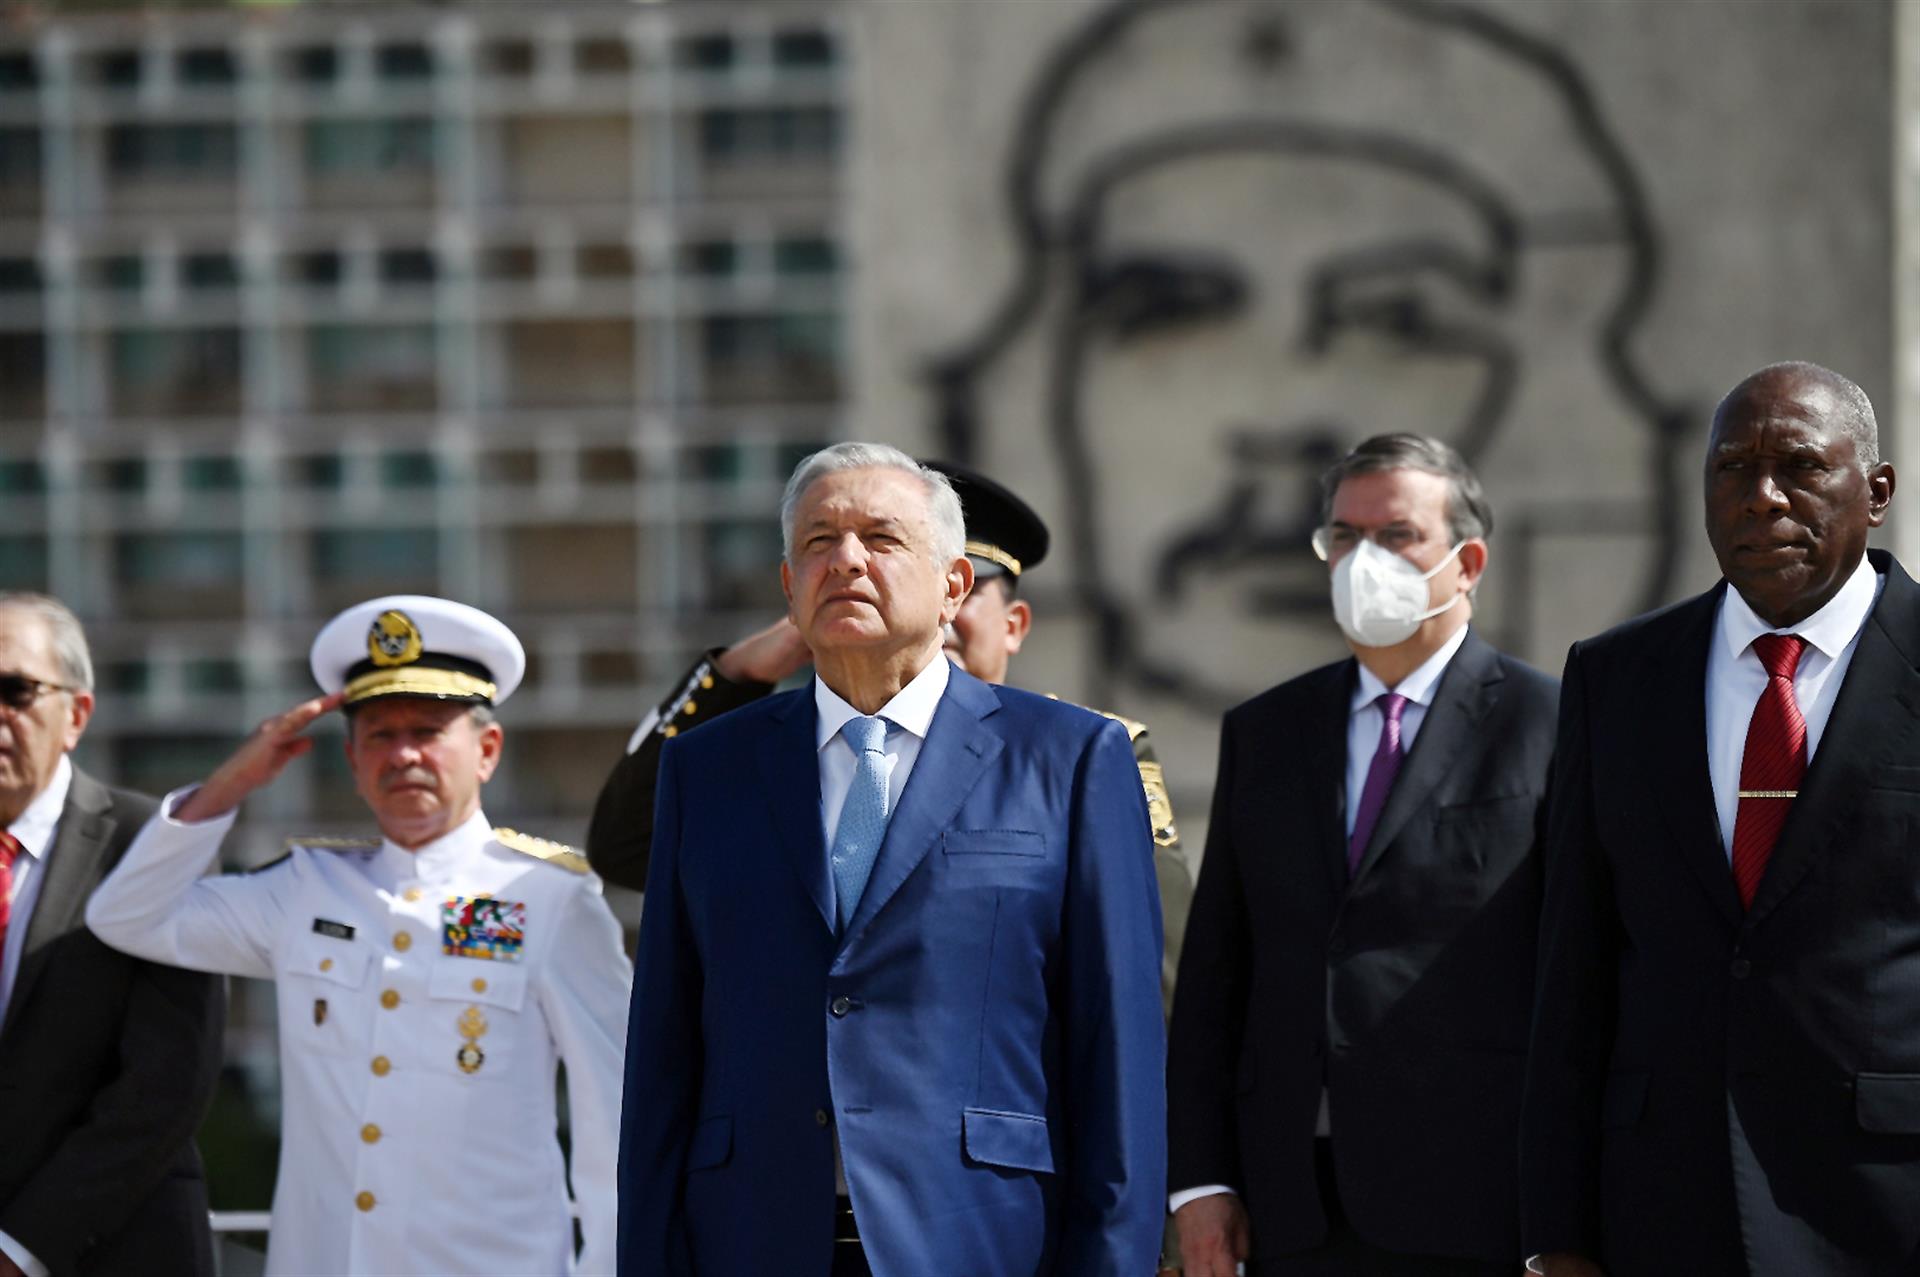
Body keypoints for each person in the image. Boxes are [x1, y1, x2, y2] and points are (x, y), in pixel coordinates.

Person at [618, 443, 1166, 1276]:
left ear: (954, 585)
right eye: (818, 542)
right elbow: (663, 1050)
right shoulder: (707, 767)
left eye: (881, 537)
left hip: (984, 1235)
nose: (846, 560)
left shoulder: (1069, 757)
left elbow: (1117, 1053)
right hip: (750, 1236)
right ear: (788, 589)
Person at [86, 595, 631, 1276]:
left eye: (429, 730)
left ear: (487, 750)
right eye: (380, 733)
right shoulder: (306, 888)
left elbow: (617, 1115)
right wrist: (229, 785)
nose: (404, 753)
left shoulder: (548, 898)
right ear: (351, 758)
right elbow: (127, 916)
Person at [1520, 362, 1918, 1277]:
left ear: (1879, 491)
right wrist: (1556, 1231)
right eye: (1733, 468)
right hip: (1663, 1203)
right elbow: (1573, 967)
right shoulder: (1616, 677)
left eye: (1802, 467)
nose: (1762, 498)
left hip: (1888, 1205)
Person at [586, 460, 1193, 1009]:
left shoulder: (1073, 760)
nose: (932, 614)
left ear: (1005, 621)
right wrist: (737, 675)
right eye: (831, 545)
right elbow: (627, 843)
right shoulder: (782, 752)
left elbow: (1154, 972)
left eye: (892, 548)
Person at [1168, 434, 1558, 1275]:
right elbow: (1216, 974)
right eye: (1343, 537)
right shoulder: (1267, 732)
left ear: (1468, 560)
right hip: (1291, 1207)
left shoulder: (1551, 723)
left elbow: (1586, 978)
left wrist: (1569, 1215)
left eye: (1396, 535)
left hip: (1481, 1203)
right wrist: (1199, 1182)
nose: (1362, 558)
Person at [0, 594, 223, 1277]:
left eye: (15, 690)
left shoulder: (149, 846)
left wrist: (17, 1247)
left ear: (77, 714)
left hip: (113, 1254)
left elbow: (166, 1084)